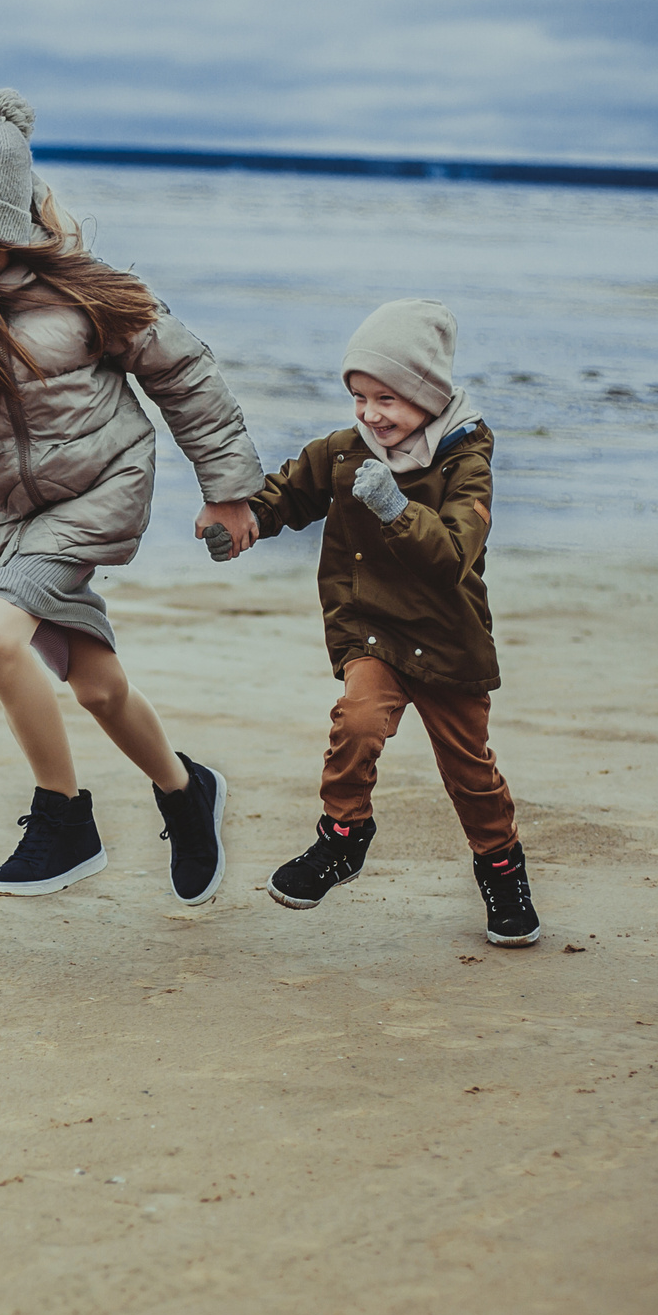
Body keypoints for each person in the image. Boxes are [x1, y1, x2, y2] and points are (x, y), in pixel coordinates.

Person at [0, 89, 266, 902]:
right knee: (99, 687)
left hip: (97, 492)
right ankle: (188, 792)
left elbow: (185, 377)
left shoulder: (90, 292)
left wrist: (230, 492)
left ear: (4, 221)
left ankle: (64, 817)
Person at [238, 299, 541, 946]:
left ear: (429, 396)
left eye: (388, 399)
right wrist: (245, 524)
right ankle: (343, 838)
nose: (372, 414)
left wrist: (396, 508)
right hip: (372, 629)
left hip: (447, 640)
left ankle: (501, 867)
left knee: (470, 771)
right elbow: (291, 491)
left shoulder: (466, 462)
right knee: (359, 722)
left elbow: (458, 550)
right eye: (359, 397)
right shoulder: (347, 452)